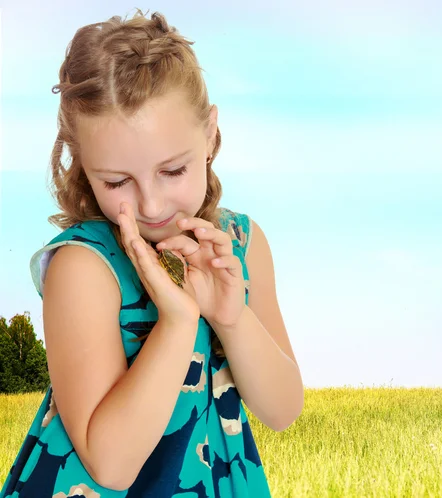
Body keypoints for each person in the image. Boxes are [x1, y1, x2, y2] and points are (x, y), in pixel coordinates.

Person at [1, 10, 303, 498]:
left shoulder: (242, 246)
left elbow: (282, 410)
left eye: (173, 170)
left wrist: (230, 317)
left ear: (208, 134)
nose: (152, 205)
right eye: (117, 182)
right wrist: (179, 322)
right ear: (84, 166)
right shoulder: (84, 267)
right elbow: (111, 466)